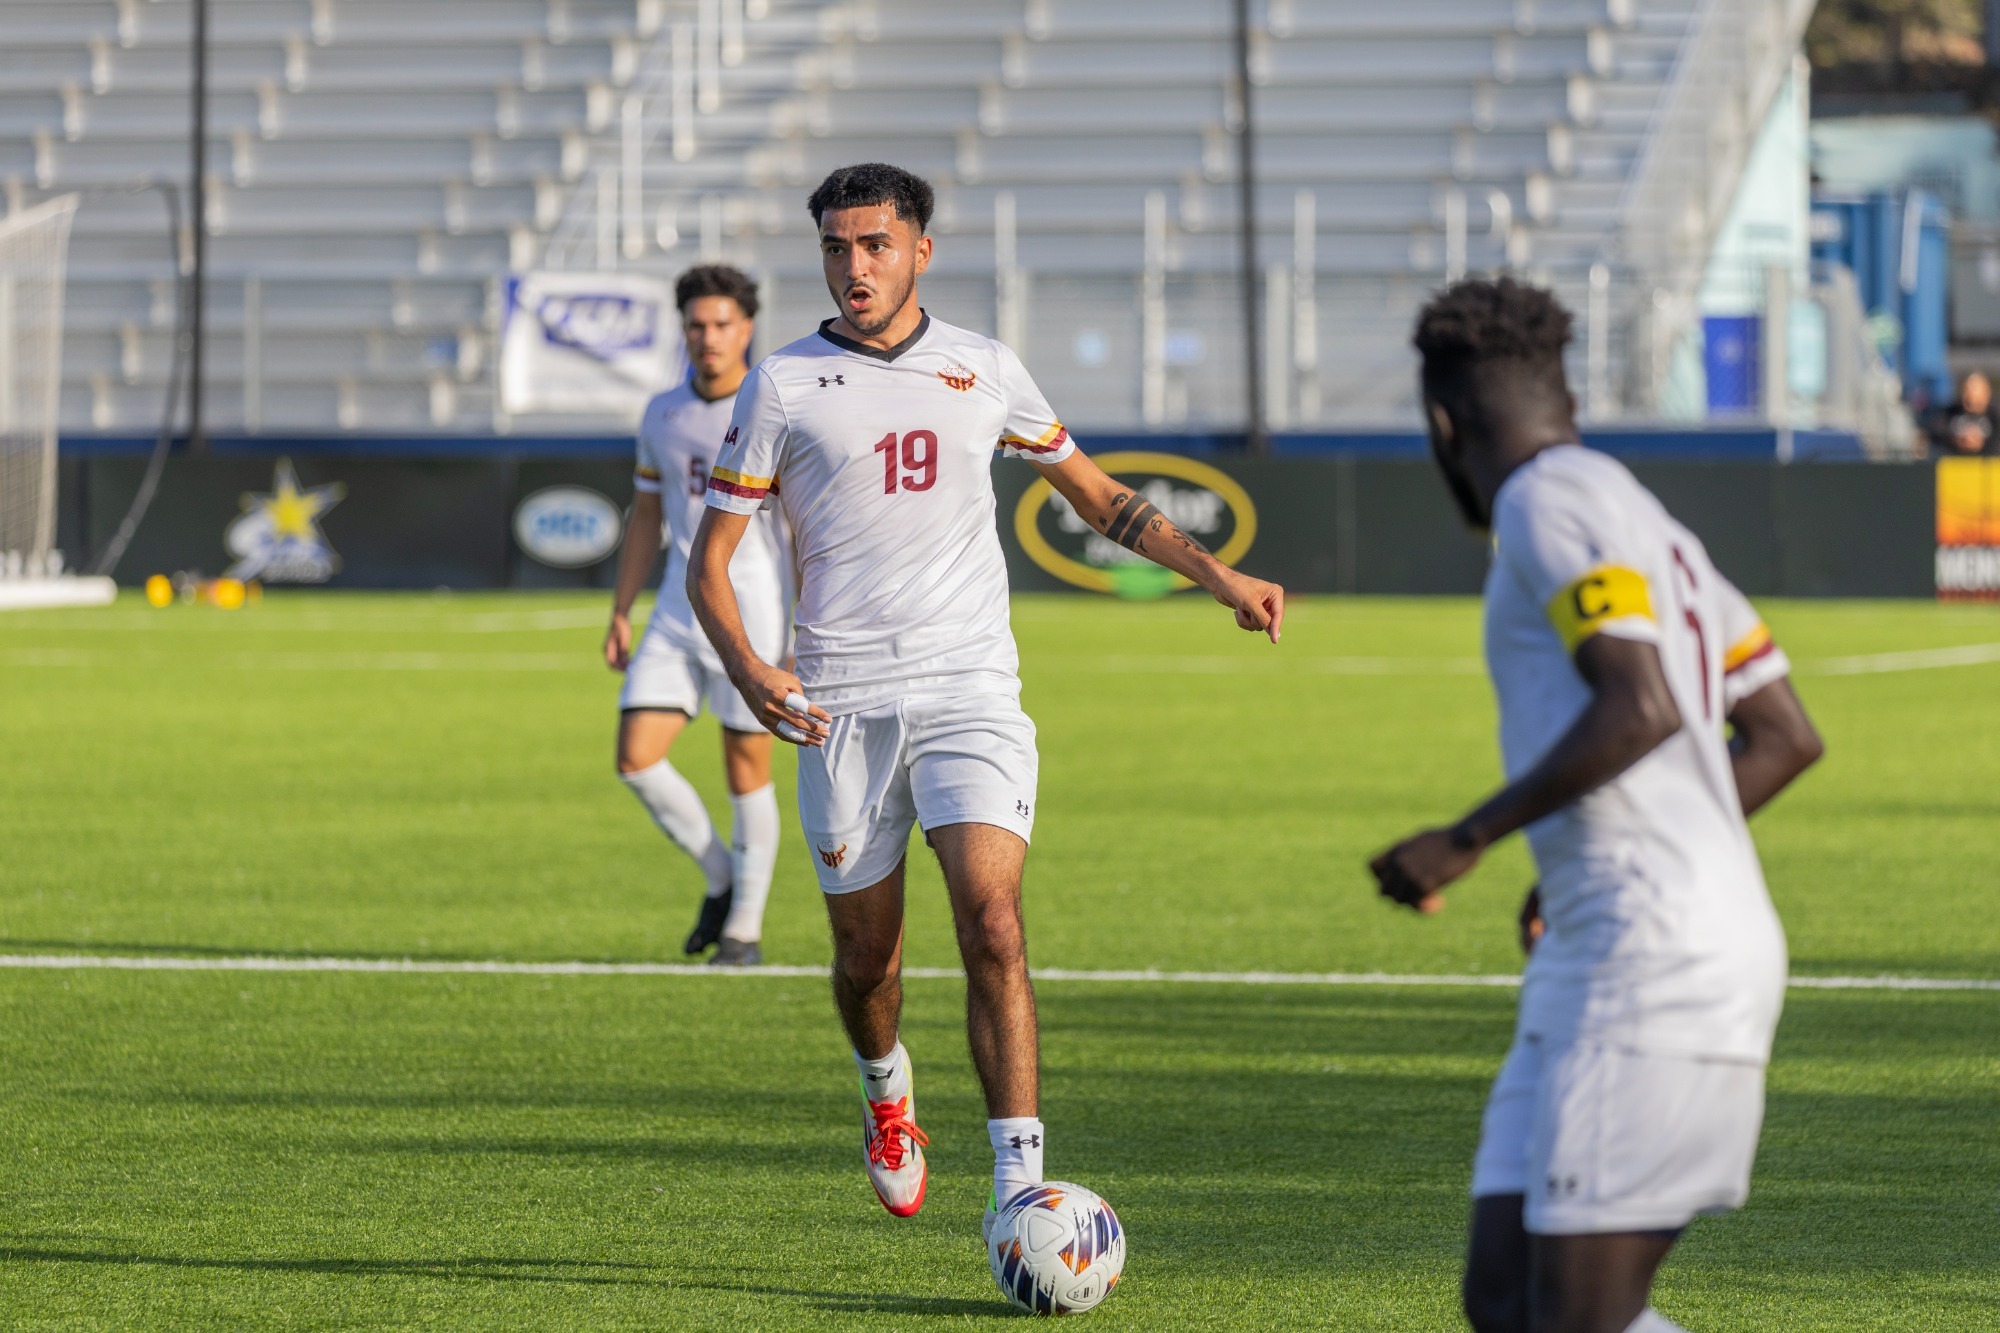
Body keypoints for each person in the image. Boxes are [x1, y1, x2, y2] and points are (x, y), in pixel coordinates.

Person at [687, 162, 1285, 1229]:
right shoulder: (780, 384)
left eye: (875, 245)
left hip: (970, 685)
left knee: (994, 924)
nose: (854, 265)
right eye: (835, 247)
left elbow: (1098, 497)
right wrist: (749, 669)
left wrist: (1218, 576)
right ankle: (885, 1092)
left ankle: (1021, 1186)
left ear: (920, 249)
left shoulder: (985, 366)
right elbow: (710, 563)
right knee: (867, 963)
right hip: (839, 702)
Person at [1369, 277, 1823, 1333]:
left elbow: (1640, 701)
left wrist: (1467, 837)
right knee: (1505, 1298)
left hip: (1652, 957)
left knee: (1577, 1319)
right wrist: (1577, 862)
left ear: (1442, 425)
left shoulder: (1547, 501)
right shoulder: (1647, 523)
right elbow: (1784, 734)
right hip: (1603, 944)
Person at [605, 264, 792, 967]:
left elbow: (800, 530)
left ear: (746, 329)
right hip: (678, 609)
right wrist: (621, 609)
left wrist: (799, 629)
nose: (708, 337)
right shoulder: (662, 411)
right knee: (635, 758)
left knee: (746, 767)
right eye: (696, 325)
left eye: (721, 324)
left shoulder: (772, 406)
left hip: (754, 613)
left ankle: (743, 929)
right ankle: (722, 876)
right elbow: (646, 513)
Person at [1931, 371, 1998, 457]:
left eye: (1977, 402)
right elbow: (1936, 436)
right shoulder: (1948, 415)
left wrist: (1983, 443)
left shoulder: (1995, 416)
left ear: (1987, 396)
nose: (1972, 405)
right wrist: (1956, 441)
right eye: (1968, 401)